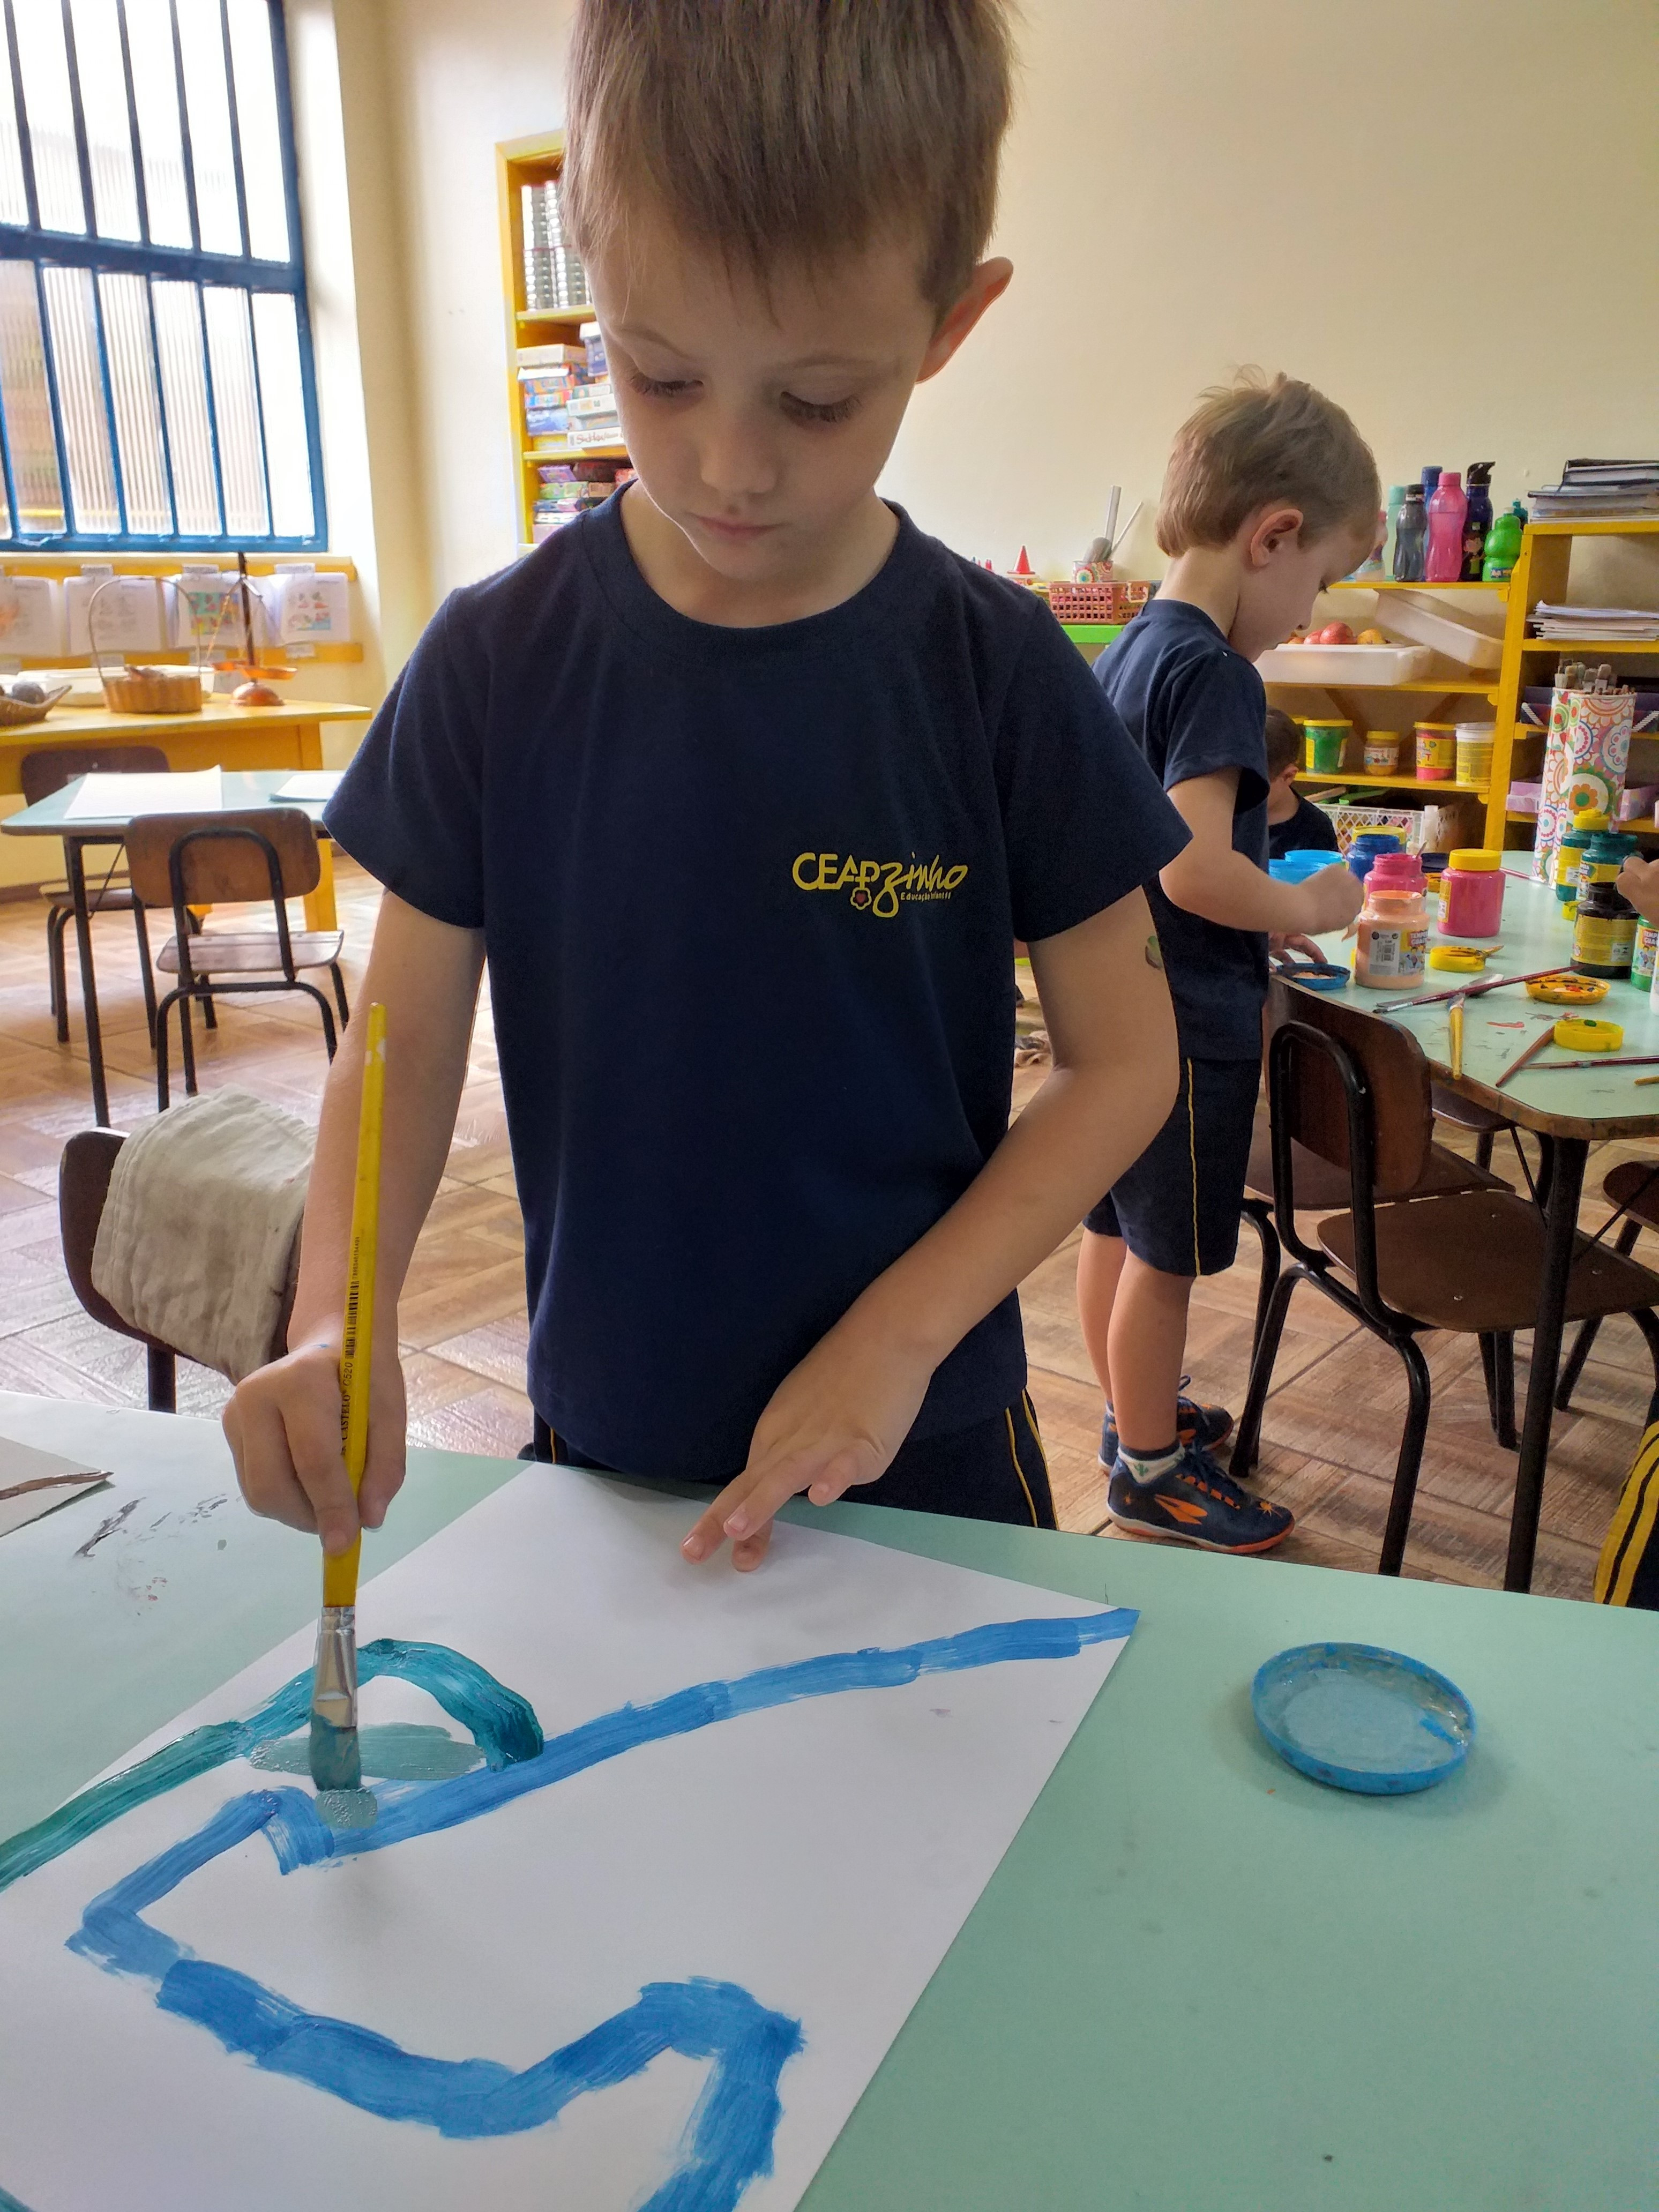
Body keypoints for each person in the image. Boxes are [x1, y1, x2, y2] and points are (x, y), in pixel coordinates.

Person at [222, 0, 1191, 1575]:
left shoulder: (995, 665)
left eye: (815, 400)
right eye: (661, 375)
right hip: (614, 1439)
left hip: (927, 1440)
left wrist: (899, 1335)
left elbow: (1125, 1061)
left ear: (950, 321)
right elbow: (396, 1044)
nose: (731, 466)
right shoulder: (495, 659)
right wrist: (338, 1316)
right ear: (591, 276)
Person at [1077, 373, 1376, 1554]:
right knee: (1166, 1261)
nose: (1307, 611)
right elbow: (1198, 865)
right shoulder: (1216, 672)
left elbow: (1153, 859)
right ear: (1274, 535)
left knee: (1114, 1230)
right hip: (1188, 1031)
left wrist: (1261, 919)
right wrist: (1305, 899)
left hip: (1116, 1011)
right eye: (1321, 581)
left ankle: (1128, 1417)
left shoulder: (1127, 650)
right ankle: (1153, 1472)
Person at [1264, 707, 1342, 862]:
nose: (1235, 795)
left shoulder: (1315, 829)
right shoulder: (1225, 816)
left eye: (1249, 789)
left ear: (1288, 776)